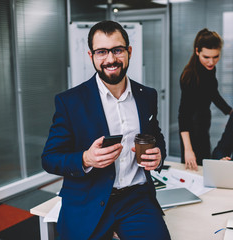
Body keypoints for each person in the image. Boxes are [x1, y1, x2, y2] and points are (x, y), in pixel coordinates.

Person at [41, 21, 171, 240]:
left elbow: (156, 138)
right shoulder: (70, 102)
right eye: (102, 52)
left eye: (117, 50)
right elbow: (50, 159)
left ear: (129, 51)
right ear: (91, 55)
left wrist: (158, 157)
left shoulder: (147, 95)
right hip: (87, 198)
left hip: (135, 199)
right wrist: (85, 158)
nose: (111, 59)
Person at [178, 28, 232, 171]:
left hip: (203, 123)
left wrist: (231, 112)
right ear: (197, 51)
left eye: (215, 57)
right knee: (194, 169)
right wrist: (188, 149)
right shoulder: (190, 77)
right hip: (191, 129)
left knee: (204, 167)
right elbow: (183, 116)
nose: (211, 62)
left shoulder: (209, 69)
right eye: (206, 57)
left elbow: (213, 94)